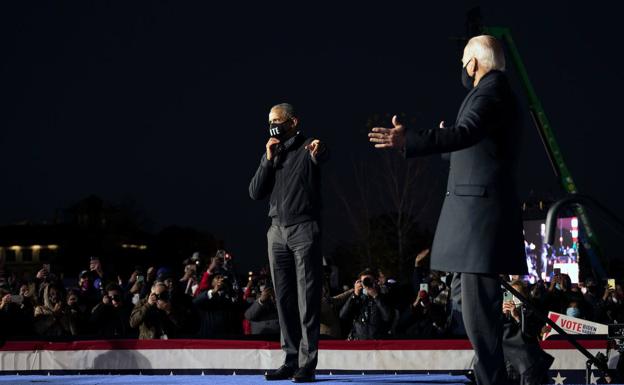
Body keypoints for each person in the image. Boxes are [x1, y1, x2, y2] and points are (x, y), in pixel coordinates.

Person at [368, 35, 531, 385]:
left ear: (473, 63)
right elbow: (476, 144)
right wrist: (448, 139)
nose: (462, 68)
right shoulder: (495, 93)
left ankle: (497, 377)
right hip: (476, 218)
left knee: (477, 309)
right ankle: (522, 361)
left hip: (478, 219)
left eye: (463, 61)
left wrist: (409, 139)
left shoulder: (489, 92)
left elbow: (467, 133)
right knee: (468, 301)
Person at [249, 103, 328, 383]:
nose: (273, 126)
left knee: (307, 298)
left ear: (293, 121)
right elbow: (255, 192)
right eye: (269, 121)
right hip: (276, 232)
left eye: (277, 121)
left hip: (304, 228)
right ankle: (290, 358)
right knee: (283, 298)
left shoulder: (309, 146)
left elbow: (322, 155)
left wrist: (319, 151)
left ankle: (307, 364)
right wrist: (268, 159)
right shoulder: (274, 150)